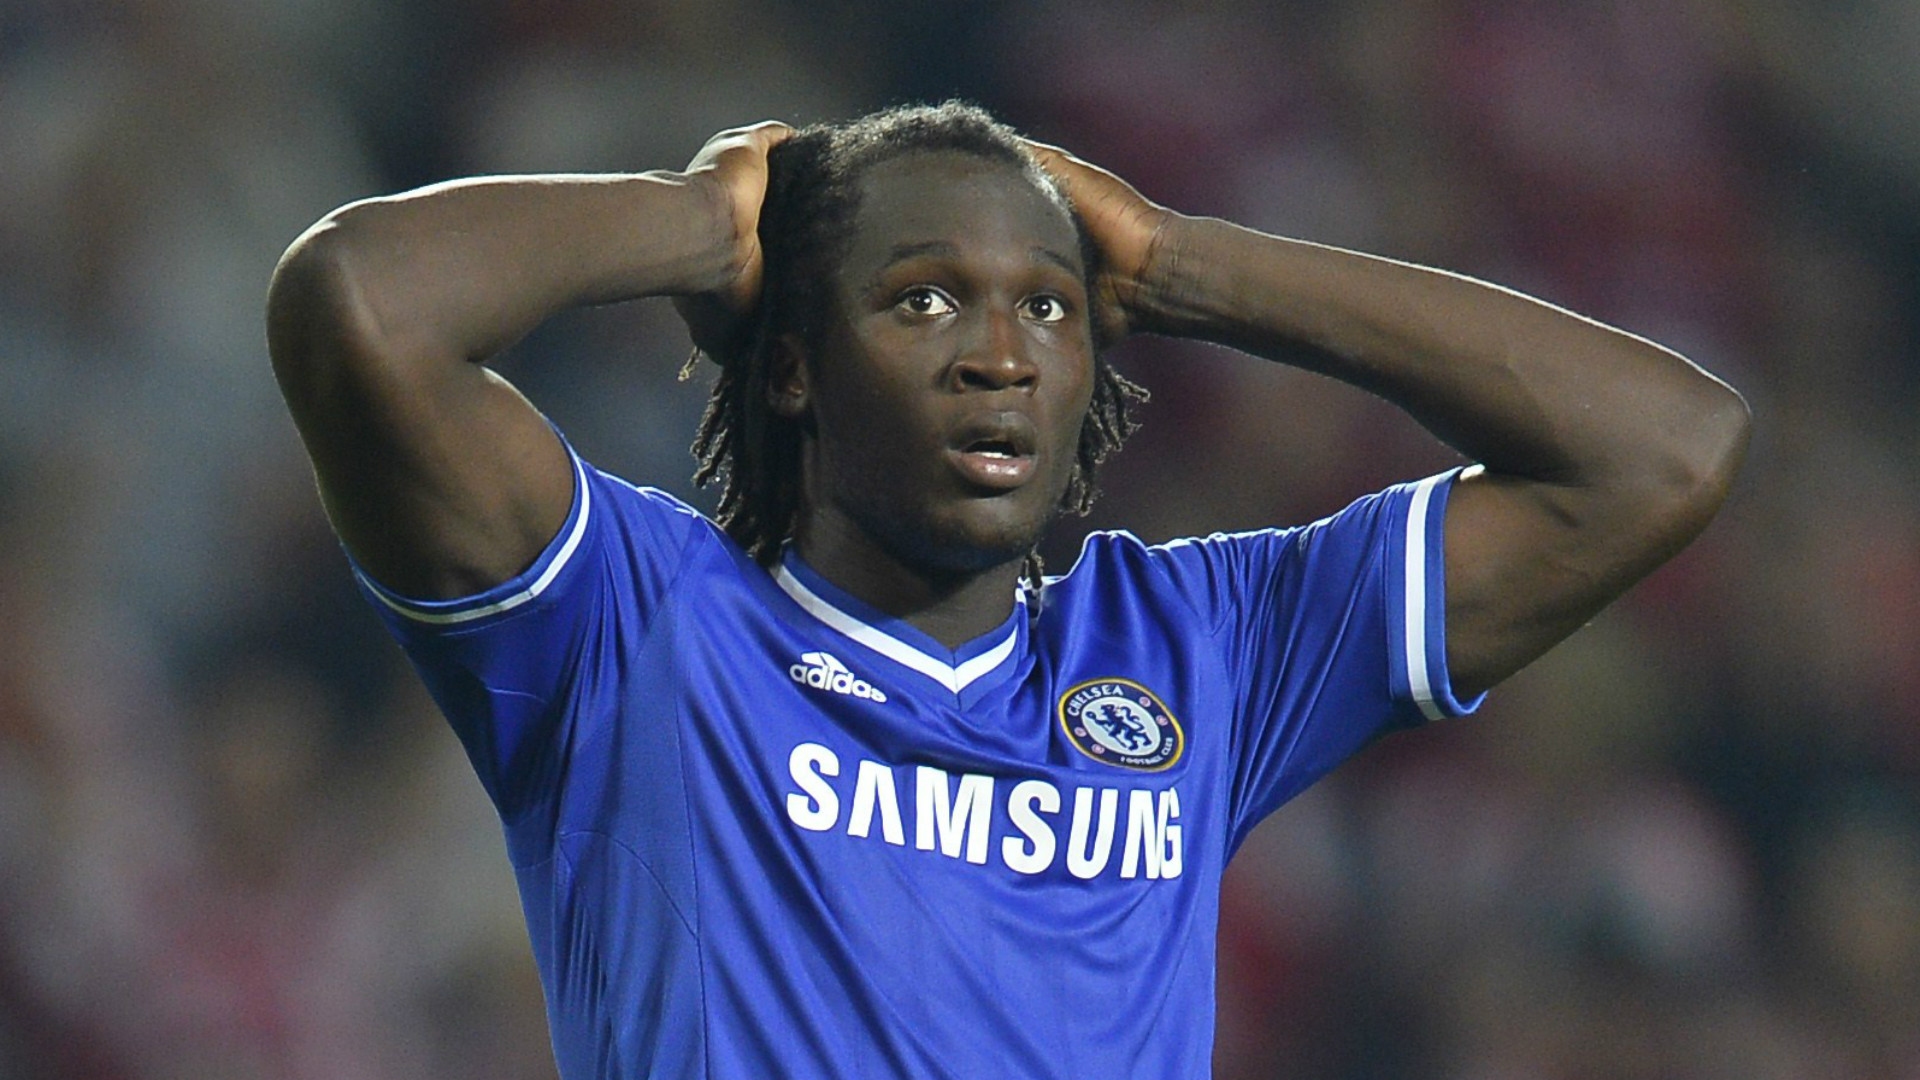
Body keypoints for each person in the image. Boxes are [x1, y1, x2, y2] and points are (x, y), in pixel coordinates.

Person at [267, 102, 1749, 1078]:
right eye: (922, 299)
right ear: (790, 364)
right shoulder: (631, 628)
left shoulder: (1198, 652)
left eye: (1048, 305)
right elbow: (361, 308)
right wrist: (712, 224)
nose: (1001, 354)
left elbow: (1665, 449)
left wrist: (1181, 265)